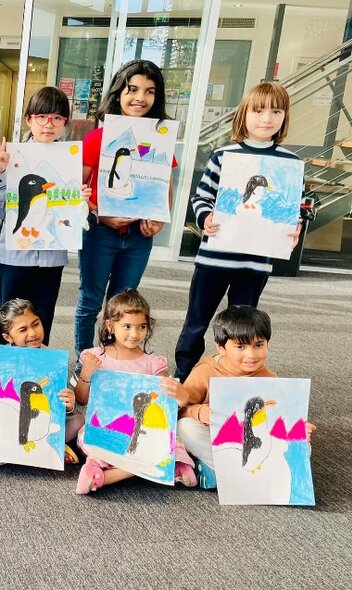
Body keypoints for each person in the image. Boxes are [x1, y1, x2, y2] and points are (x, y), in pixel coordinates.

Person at [174, 82, 303, 382]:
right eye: (258, 110)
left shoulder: (290, 164)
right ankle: (184, 375)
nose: (266, 118)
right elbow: (202, 197)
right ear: (244, 114)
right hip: (215, 258)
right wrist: (205, 217)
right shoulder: (224, 155)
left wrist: (292, 228)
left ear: (285, 117)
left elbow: (290, 209)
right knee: (197, 321)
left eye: (276, 111)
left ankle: (233, 380)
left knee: (242, 326)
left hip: (255, 263)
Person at [74, 59, 176, 360]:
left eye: (149, 91)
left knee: (124, 306)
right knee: (91, 301)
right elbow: (77, 191)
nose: (140, 98)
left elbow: (164, 188)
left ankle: (117, 362)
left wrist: (158, 219)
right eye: (132, 89)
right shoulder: (97, 138)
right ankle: (85, 363)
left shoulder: (160, 140)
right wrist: (99, 213)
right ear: (118, 92)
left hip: (137, 238)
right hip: (99, 233)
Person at [0, 86, 91, 345]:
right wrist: (0, 172)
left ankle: (38, 374)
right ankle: (2, 373)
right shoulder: (12, 156)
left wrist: (81, 203)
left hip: (51, 256)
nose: (49, 124)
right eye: (42, 117)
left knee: (42, 318)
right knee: (9, 317)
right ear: (29, 119)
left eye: (57, 118)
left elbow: (72, 218)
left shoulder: (69, 160)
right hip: (15, 254)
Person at [176, 305, 315, 487]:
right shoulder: (206, 371)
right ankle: (237, 473)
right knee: (184, 428)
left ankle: (222, 473)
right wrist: (200, 412)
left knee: (303, 445)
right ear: (221, 347)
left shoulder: (269, 377)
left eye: (258, 345)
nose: (251, 355)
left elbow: (279, 418)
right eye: (240, 346)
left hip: (252, 439)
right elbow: (180, 410)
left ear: (268, 344)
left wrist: (298, 427)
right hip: (217, 437)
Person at [74, 289, 194, 494]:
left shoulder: (154, 363)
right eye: (127, 326)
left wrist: (182, 396)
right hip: (106, 426)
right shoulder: (94, 357)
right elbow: (82, 400)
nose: (134, 334)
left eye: (141, 327)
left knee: (168, 441)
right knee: (93, 439)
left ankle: (105, 475)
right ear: (110, 326)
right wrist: (86, 374)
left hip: (142, 429)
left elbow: (166, 405)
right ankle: (157, 467)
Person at [0, 298, 82, 467]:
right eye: (23, 329)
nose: (33, 333)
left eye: (36, 324)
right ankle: (7, 449)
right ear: (8, 337)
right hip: (12, 420)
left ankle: (52, 443)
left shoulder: (52, 358)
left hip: (41, 421)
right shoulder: (0, 360)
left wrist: (69, 402)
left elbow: (59, 399)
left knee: (78, 420)